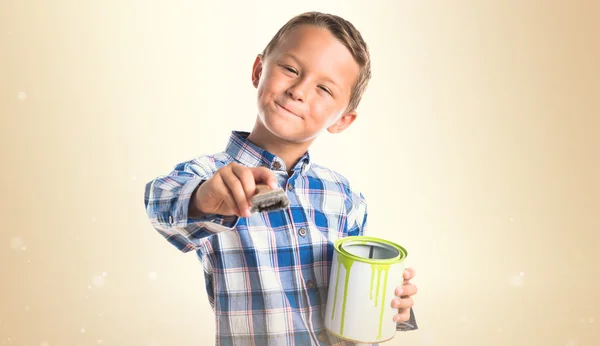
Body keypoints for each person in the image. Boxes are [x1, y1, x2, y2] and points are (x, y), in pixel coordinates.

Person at [144, 11, 418, 346]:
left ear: (342, 120)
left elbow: (355, 308)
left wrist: (390, 306)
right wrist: (206, 199)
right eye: (290, 69)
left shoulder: (344, 197)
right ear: (259, 70)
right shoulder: (210, 176)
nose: (299, 91)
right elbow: (161, 202)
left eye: (324, 88)